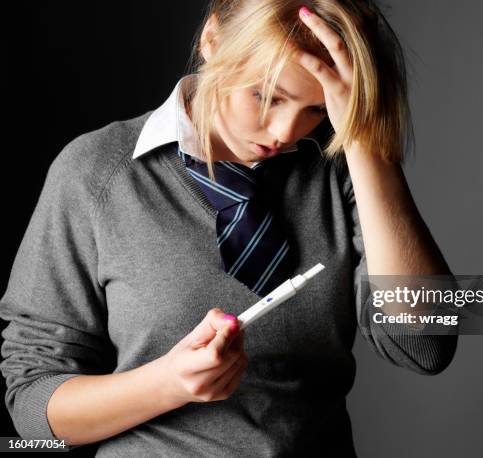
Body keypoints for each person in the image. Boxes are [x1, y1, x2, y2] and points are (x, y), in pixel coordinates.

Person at [0, 1, 458, 456]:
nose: (285, 131)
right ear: (213, 41)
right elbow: (33, 414)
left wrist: (366, 147)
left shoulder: (344, 172)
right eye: (266, 95)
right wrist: (168, 384)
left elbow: (426, 345)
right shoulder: (96, 174)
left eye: (317, 109)